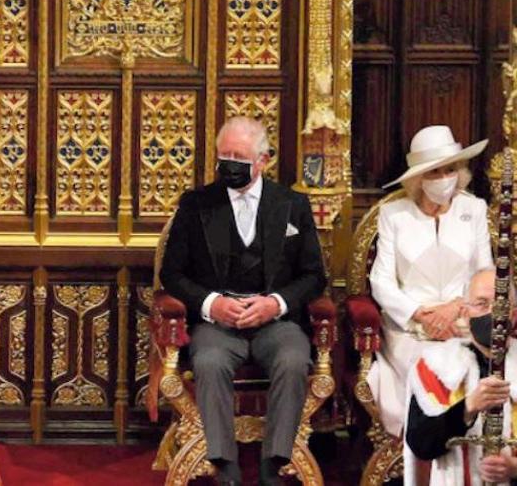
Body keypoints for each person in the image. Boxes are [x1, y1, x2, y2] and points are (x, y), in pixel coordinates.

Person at [160, 117, 327, 485]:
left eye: (239, 156)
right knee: (210, 361)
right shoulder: (196, 204)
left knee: (293, 358)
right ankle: (225, 465)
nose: (229, 164)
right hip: (218, 323)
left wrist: (276, 304)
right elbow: (171, 275)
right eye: (224, 156)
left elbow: (315, 276)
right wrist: (211, 304)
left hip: (276, 322)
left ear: (262, 159)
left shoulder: (292, 205)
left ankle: (274, 463)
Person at [366, 125, 492, 442]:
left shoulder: (474, 209)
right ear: (418, 178)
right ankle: (428, 451)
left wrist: (455, 309)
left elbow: (485, 273)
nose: (445, 178)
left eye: (450, 169)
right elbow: (380, 280)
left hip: (464, 321)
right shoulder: (394, 214)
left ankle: (470, 458)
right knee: (430, 376)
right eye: (435, 172)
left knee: (474, 371)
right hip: (409, 326)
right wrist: (421, 314)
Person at [404, 269, 515, 485]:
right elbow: (420, 445)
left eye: (501, 304)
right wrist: (467, 407)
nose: (493, 313)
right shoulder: (436, 367)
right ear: (464, 312)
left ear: (514, 314)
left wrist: (513, 469)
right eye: (482, 303)